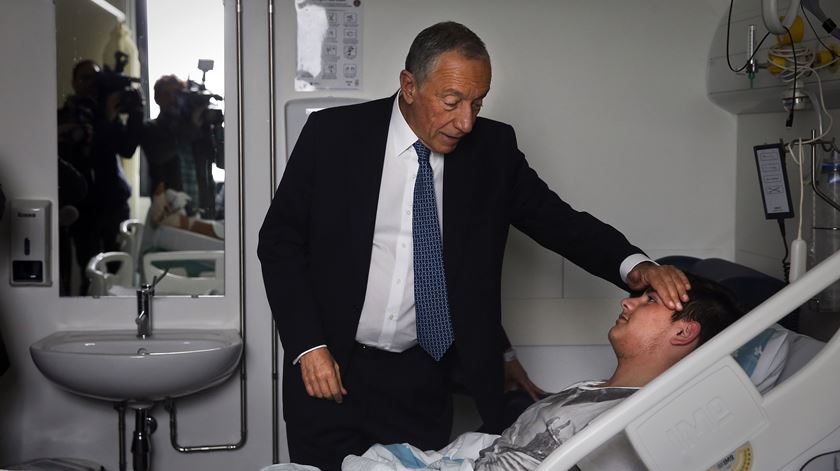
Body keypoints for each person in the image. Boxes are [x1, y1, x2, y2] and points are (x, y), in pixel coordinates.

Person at [257, 21, 691, 470]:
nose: (465, 121)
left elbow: (559, 222)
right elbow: (279, 242)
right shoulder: (334, 135)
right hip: (328, 365)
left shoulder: (493, 150)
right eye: (452, 102)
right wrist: (308, 347)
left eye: (477, 103)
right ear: (409, 86)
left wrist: (634, 266)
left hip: (421, 376)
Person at [344, 274, 743, 471]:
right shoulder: (597, 391)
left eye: (650, 300)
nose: (627, 302)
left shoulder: (639, 424)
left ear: (683, 331)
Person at [57, 59, 143, 295]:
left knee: (118, 275)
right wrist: (105, 118)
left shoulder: (108, 111)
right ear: (73, 82)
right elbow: (83, 155)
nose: (91, 84)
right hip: (84, 210)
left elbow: (126, 148)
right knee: (91, 274)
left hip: (114, 204)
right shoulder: (66, 117)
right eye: (85, 78)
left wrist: (136, 113)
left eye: (95, 78)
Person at [141, 74, 223, 220]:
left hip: (204, 214)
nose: (173, 99)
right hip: (169, 215)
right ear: (156, 98)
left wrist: (217, 128)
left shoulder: (198, 129)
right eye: (167, 94)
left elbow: (223, 162)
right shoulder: (151, 128)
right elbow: (159, 156)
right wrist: (192, 127)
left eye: (177, 94)